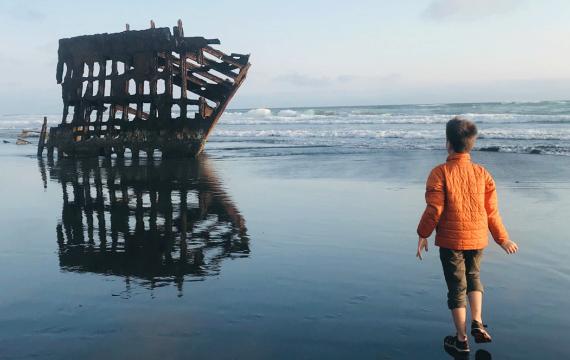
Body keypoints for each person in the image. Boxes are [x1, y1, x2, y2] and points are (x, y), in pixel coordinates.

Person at [416, 116, 518, 354]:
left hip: (451, 241)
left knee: (456, 287)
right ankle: (478, 321)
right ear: (472, 143)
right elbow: (492, 211)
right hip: (478, 237)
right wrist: (503, 238)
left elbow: (435, 209)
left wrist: (423, 233)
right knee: (474, 277)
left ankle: (461, 339)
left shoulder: (439, 172)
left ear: (447, 143)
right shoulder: (483, 173)